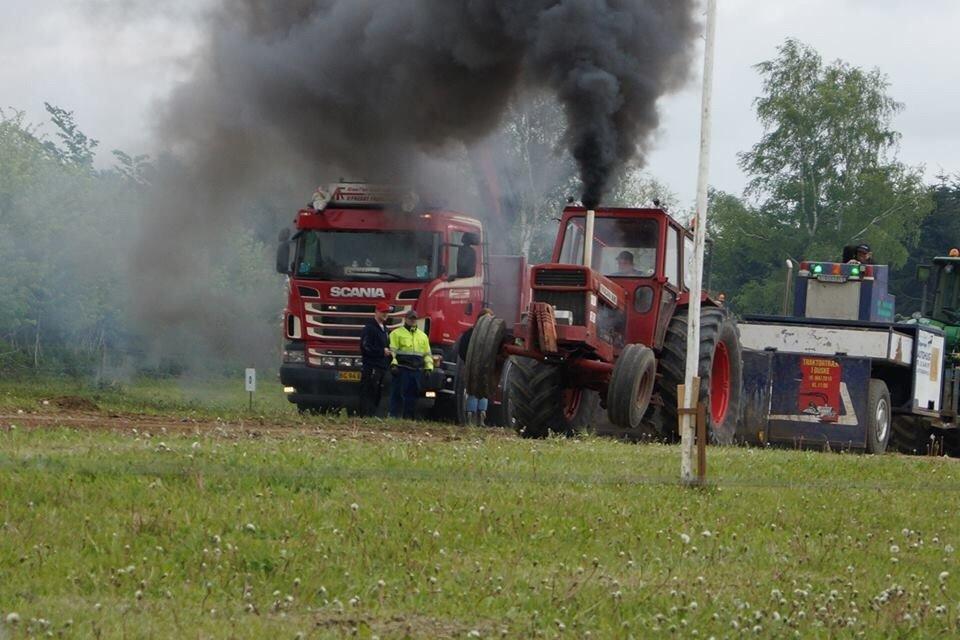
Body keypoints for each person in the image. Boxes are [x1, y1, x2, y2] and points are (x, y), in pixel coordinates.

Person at [388, 310, 434, 419]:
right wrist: (393, 365)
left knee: (413, 396)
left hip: (416, 370)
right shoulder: (396, 333)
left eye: (414, 319)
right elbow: (392, 352)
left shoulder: (423, 336)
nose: (412, 321)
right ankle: (394, 416)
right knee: (397, 394)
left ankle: (408, 418)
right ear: (406, 319)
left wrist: (428, 368)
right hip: (402, 369)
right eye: (410, 318)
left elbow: (427, 354)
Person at [458, 308, 494, 426]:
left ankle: (474, 417)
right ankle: (477, 417)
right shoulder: (491, 335)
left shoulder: (469, 333)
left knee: (476, 392)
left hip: (475, 366)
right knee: (478, 392)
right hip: (481, 367)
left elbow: (462, 350)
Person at [358, 302, 392, 417]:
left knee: (378, 393)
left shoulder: (385, 330)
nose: (385, 314)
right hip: (371, 366)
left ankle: (372, 415)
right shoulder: (369, 328)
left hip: (381, 366)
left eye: (387, 312)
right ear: (376, 312)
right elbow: (365, 346)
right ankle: (365, 416)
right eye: (383, 312)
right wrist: (381, 351)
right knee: (369, 392)